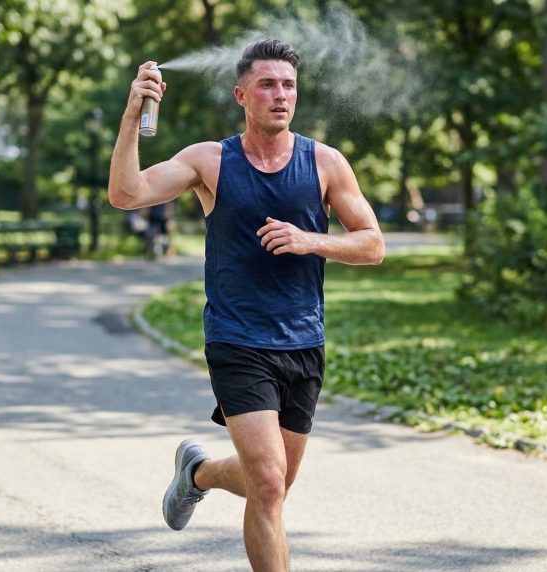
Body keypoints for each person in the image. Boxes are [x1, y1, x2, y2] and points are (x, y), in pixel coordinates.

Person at [108, 39, 384, 572]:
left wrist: (312, 240)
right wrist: (130, 117)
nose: (280, 95)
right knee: (268, 480)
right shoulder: (209, 160)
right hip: (237, 340)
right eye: (267, 85)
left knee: (273, 487)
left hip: (304, 342)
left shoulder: (325, 163)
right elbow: (127, 194)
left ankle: (198, 474)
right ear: (242, 95)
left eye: (288, 86)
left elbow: (372, 244)